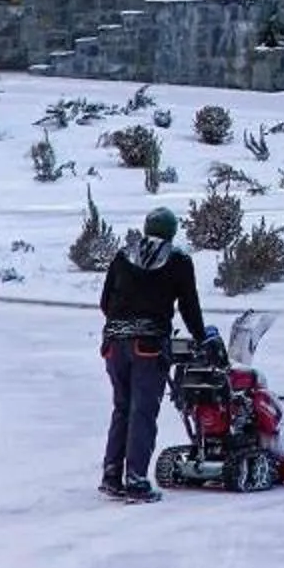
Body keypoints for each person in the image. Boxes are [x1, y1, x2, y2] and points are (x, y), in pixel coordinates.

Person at [99, 207, 207, 501]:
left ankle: (111, 475)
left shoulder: (123, 255)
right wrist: (202, 337)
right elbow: (188, 306)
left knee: (122, 407)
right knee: (142, 411)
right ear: (172, 231)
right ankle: (135, 480)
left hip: (114, 344)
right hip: (147, 346)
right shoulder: (178, 261)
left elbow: (105, 301)